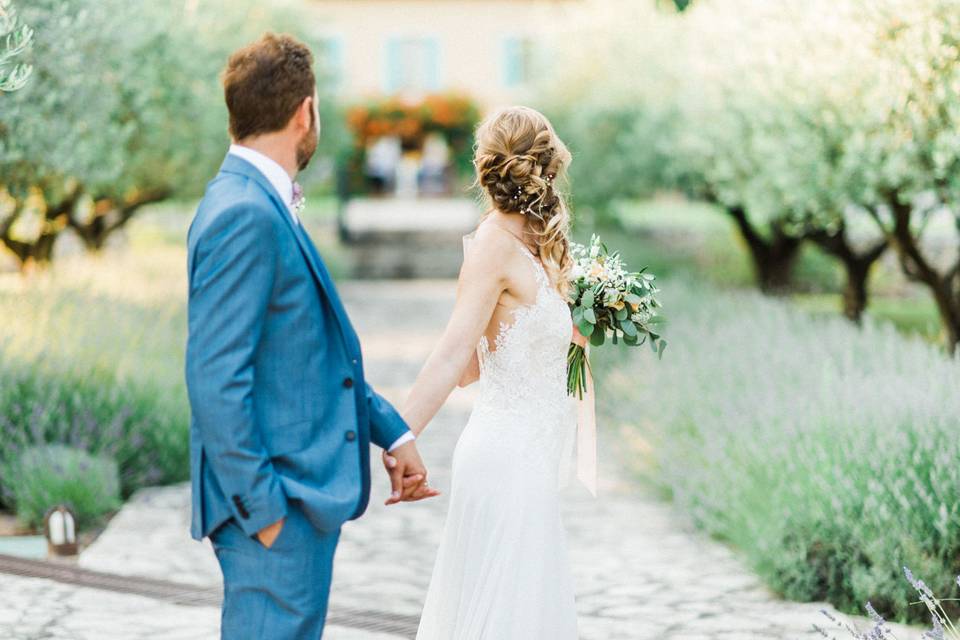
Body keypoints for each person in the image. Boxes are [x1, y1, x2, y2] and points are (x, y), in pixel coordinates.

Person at [184, 33, 438, 639]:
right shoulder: (244, 212)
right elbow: (215, 379)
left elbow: (311, 354)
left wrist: (391, 429)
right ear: (305, 112)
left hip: (289, 507)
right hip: (275, 512)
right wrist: (265, 513)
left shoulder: (255, 201)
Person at [403, 106, 584, 638]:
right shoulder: (491, 247)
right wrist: (398, 433)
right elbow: (453, 359)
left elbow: (502, 350)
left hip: (532, 458)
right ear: (546, 169)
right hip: (506, 461)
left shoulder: (538, 243)